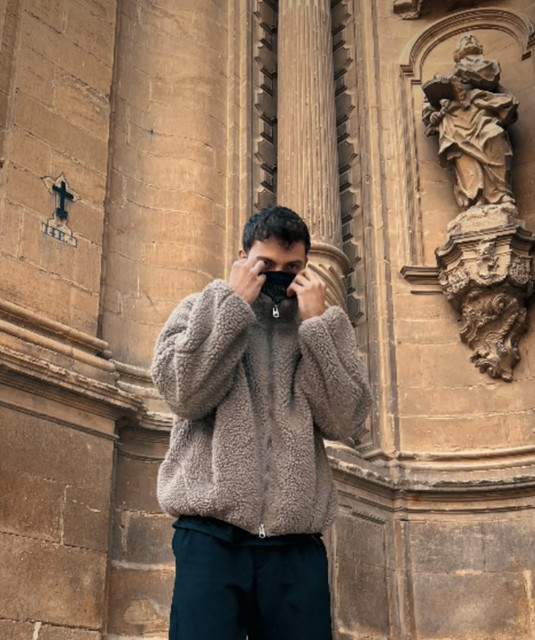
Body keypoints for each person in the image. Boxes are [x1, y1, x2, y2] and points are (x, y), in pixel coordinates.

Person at [151, 205, 372, 640]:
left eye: (292, 267)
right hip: (211, 536)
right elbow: (183, 394)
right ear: (242, 257)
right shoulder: (199, 310)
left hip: (295, 546)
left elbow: (345, 420)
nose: (278, 275)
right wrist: (232, 307)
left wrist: (317, 326)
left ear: (306, 267)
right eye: (266, 264)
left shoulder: (324, 327)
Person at [422, 33, 518, 210]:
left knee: (495, 136)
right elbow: (430, 104)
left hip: (482, 117)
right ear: (456, 54)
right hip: (456, 122)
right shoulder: (446, 76)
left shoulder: (489, 66)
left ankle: (500, 193)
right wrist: (432, 115)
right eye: (463, 41)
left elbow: (489, 79)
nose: (468, 39)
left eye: (472, 39)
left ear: (480, 48)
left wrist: (461, 73)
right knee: (464, 158)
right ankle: (475, 199)